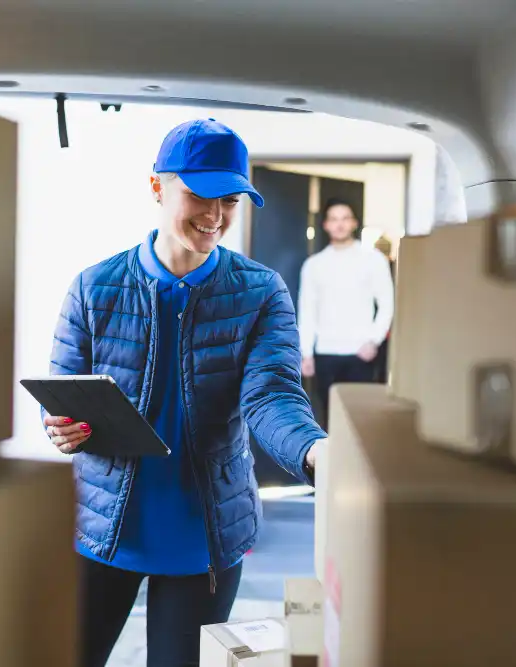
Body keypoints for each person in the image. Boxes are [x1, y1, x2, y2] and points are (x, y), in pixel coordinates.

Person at [43, 118, 326, 667]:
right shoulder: (93, 286)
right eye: (201, 196)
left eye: (232, 202)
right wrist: (60, 427)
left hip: (203, 537)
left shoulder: (261, 292)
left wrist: (314, 450)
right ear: (157, 187)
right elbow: (61, 394)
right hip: (103, 529)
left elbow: (271, 396)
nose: (216, 217)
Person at [297, 198, 395, 429]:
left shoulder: (374, 260)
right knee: (330, 419)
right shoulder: (314, 264)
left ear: (353, 223)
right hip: (325, 353)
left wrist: (374, 341)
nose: (339, 224)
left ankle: (358, 465)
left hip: (361, 352)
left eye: (344, 219)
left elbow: (387, 304)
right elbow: (307, 310)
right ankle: (333, 465)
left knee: (360, 419)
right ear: (326, 225)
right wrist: (306, 352)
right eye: (333, 219)